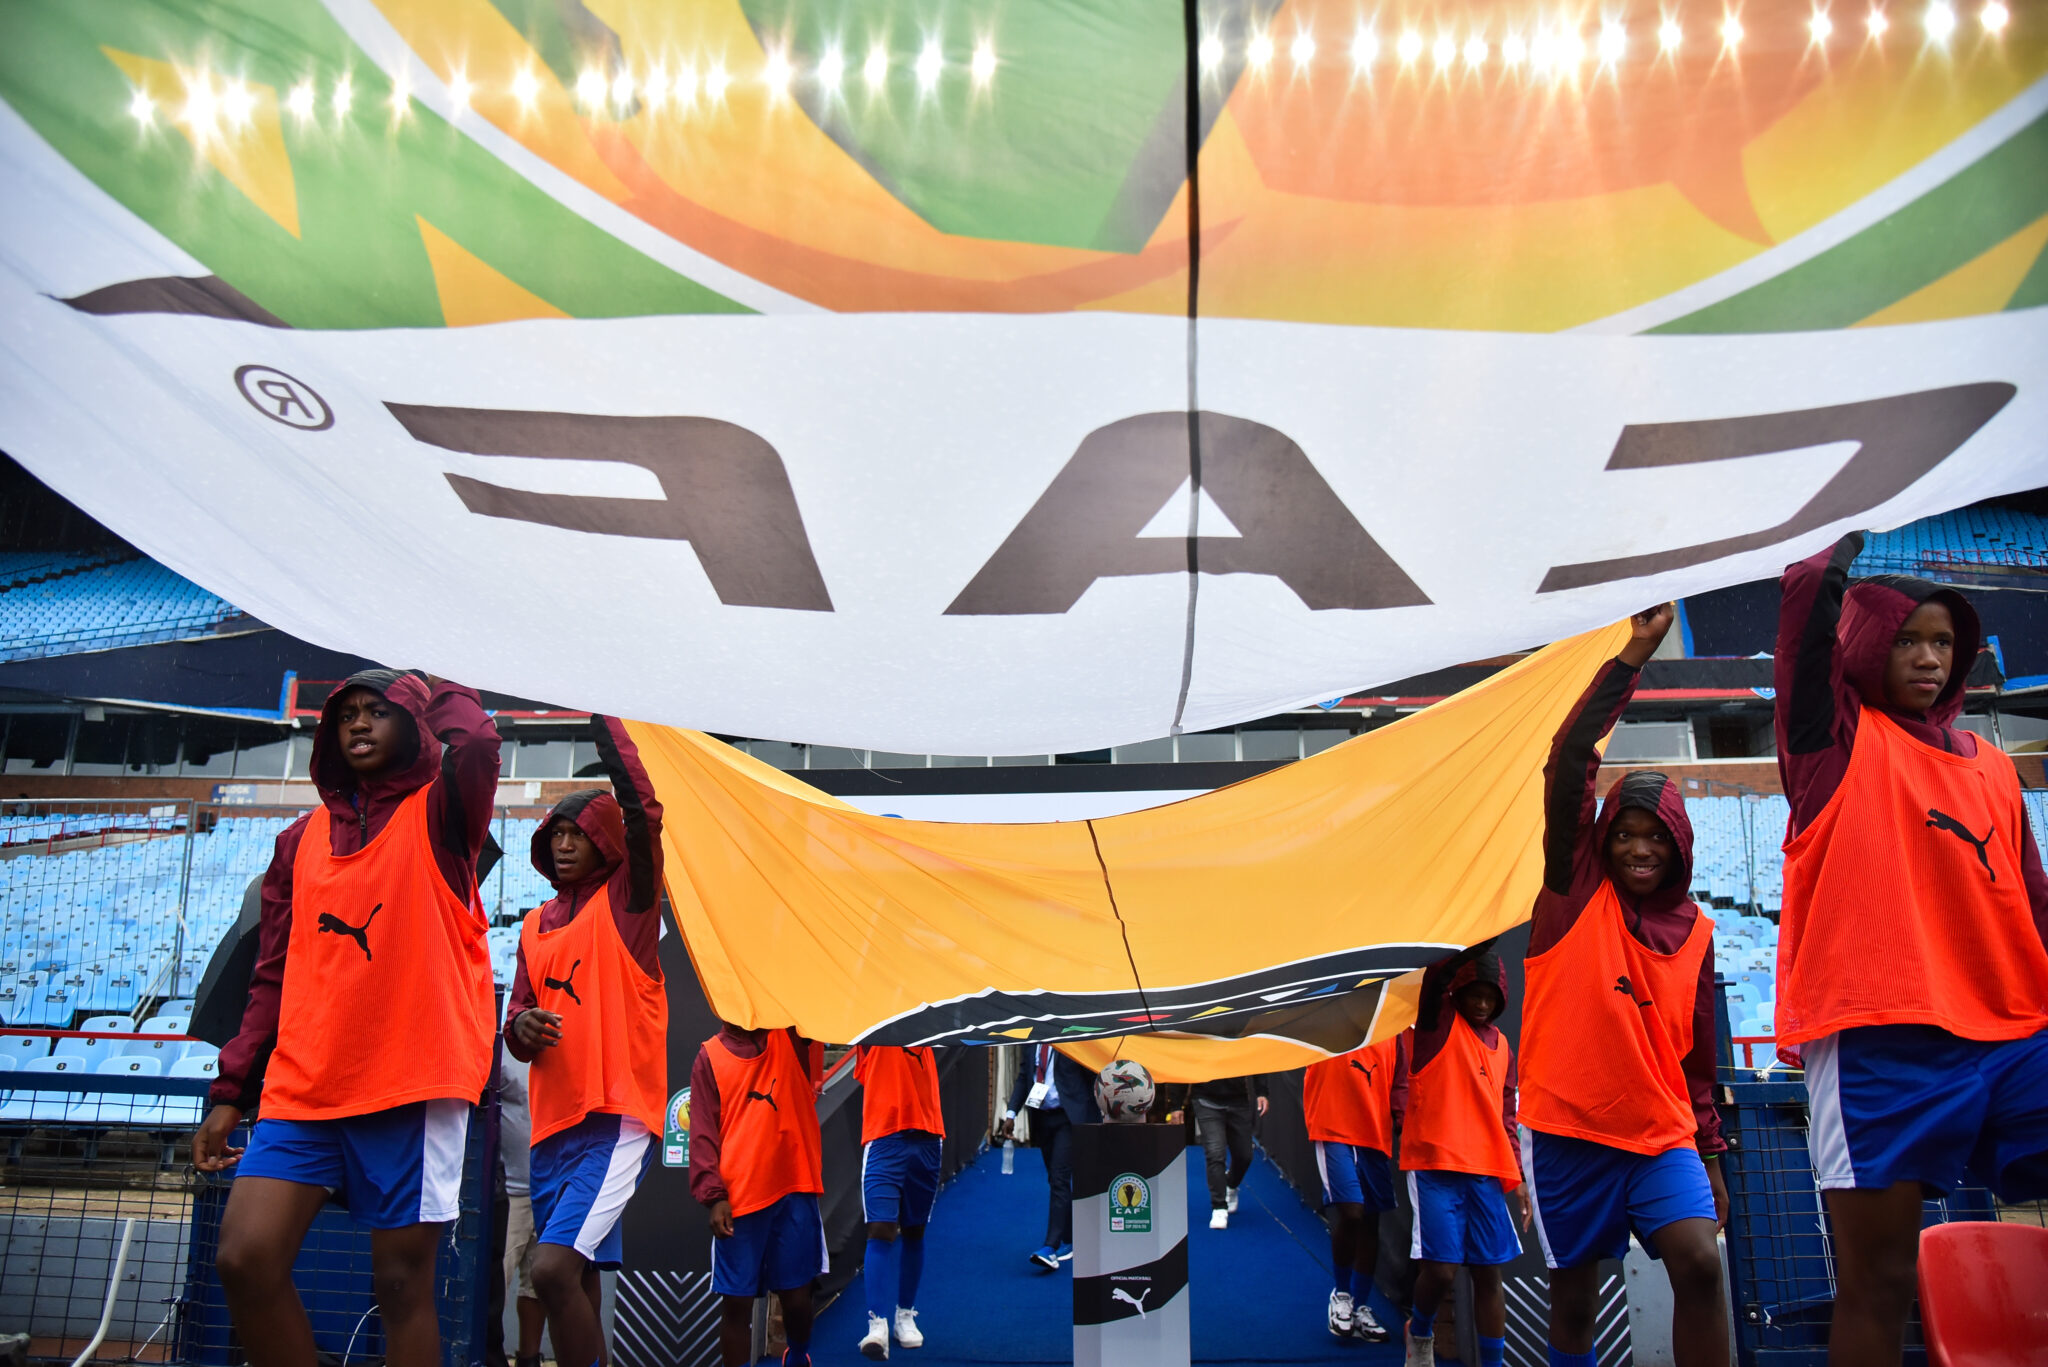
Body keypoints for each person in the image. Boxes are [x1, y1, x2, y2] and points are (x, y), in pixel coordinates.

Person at [1774, 533, 2048, 1366]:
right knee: (1880, 1280)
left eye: (1943, 641)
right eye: (1906, 639)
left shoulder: (1994, 766)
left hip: (2012, 1030)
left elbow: (2034, 902)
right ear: (1864, 643)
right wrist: (1843, 521)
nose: (1929, 657)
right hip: (1878, 1042)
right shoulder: (1830, 749)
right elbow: (1805, 618)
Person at [192, 672, 501, 1367]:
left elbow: (479, 741)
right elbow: (271, 975)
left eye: (378, 711)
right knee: (245, 1258)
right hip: (304, 1086)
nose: (359, 723)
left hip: (412, 1085)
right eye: (347, 715)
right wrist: (231, 1091)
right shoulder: (296, 841)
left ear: (414, 721)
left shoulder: (443, 815)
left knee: (401, 1286)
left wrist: (433, 668)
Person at [1518, 604, 1731, 1367]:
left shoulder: (1699, 931)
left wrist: (1710, 1152)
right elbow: (1570, 760)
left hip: (1660, 1135)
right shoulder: (1574, 892)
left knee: (1700, 1265)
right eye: (1625, 833)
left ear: (1680, 844)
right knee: (1576, 1301)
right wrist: (1632, 658)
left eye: (1656, 835)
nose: (1640, 847)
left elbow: (1696, 1058)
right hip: (1567, 1133)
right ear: (1602, 841)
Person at [503, 715, 668, 1367]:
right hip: (551, 1130)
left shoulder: (630, 906)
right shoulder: (533, 926)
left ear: (604, 840)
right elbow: (517, 1021)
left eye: (578, 833)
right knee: (578, 1276)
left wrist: (608, 719)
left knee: (549, 1270)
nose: (566, 843)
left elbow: (644, 817)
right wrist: (520, 1027)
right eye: (557, 833)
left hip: (614, 1119)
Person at [1399, 951, 1529, 1367]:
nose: (1483, 1003)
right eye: (1475, 994)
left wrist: (1518, 1176)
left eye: (1491, 996)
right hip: (1435, 1165)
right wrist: (1475, 940)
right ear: (1460, 990)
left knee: (1489, 1274)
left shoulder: (1503, 1046)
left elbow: (1507, 1117)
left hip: (1486, 1172)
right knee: (1441, 1270)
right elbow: (1436, 978)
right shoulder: (1437, 1024)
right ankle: (1420, 1333)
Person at [691, 1022, 827, 1367]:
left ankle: (797, 1357)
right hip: (740, 1197)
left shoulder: (791, 1033)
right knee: (736, 1303)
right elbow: (703, 1132)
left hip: (794, 1187)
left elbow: (816, 1006)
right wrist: (714, 1196)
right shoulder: (710, 1055)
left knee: (797, 1299)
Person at [1302, 1036, 1403, 1343]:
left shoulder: (1392, 1022)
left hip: (1374, 1129)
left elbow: (1400, 1077)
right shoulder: (1326, 1011)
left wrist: (1402, 1115)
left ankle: (1360, 1306)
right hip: (1333, 1122)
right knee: (1352, 1212)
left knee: (1370, 1219)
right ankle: (1342, 1295)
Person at [853, 1045, 945, 1360]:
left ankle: (905, 1315)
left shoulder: (927, 1022)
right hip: (885, 1135)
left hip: (927, 1133)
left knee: (915, 1229)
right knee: (880, 1228)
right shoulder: (872, 1026)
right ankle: (876, 1323)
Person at [1000, 1042, 1104, 1269]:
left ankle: (1050, 1247)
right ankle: (1071, 1237)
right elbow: (1024, 1077)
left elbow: (1093, 1076)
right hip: (1042, 1118)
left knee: (1059, 1177)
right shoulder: (1032, 1042)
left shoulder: (1073, 1041)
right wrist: (1011, 1113)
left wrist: (1099, 1117)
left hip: (1069, 1118)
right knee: (1056, 1179)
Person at [500, 1023, 544, 1367]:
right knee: (491, 1284)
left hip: (550, 1190)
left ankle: (528, 1359)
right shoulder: (500, 1042)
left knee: (538, 1287)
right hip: (506, 1193)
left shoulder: (568, 1041)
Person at [1187, 1074, 1268, 1230]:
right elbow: (1184, 1062)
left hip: (1238, 1100)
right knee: (1215, 1153)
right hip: (1205, 1099)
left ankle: (1230, 1184)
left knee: (1244, 1155)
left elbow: (1257, 1060)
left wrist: (1262, 1092)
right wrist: (1175, 1105)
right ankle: (1219, 1207)